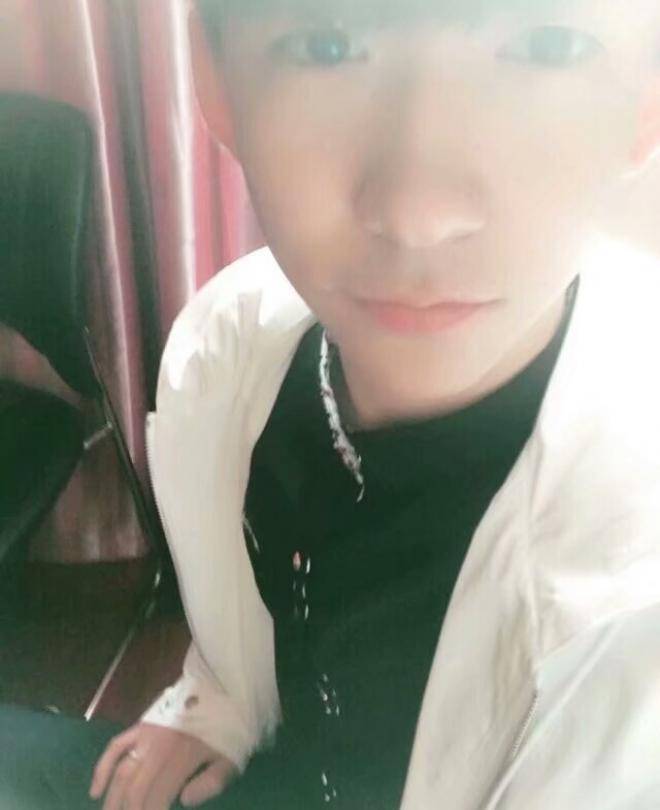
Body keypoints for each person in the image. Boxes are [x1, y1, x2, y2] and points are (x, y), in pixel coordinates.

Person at [2, 0, 660, 807]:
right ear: (217, 84)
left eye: (548, 44)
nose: (418, 215)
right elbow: (244, 623)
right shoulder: (232, 348)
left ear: (647, 97)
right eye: (328, 42)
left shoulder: (637, 579)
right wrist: (218, 704)